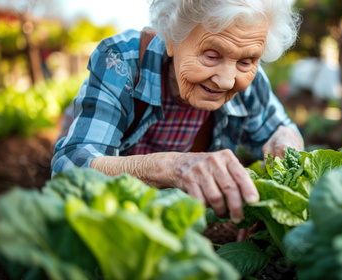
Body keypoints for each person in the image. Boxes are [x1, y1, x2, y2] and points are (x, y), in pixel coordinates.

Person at [52, 0, 304, 226]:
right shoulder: (121, 61)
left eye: (246, 61)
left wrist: (287, 140)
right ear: (171, 39)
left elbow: (281, 130)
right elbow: (69, 168)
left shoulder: (250, 81)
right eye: (212, 55)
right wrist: (171, 166)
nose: (227, 80)